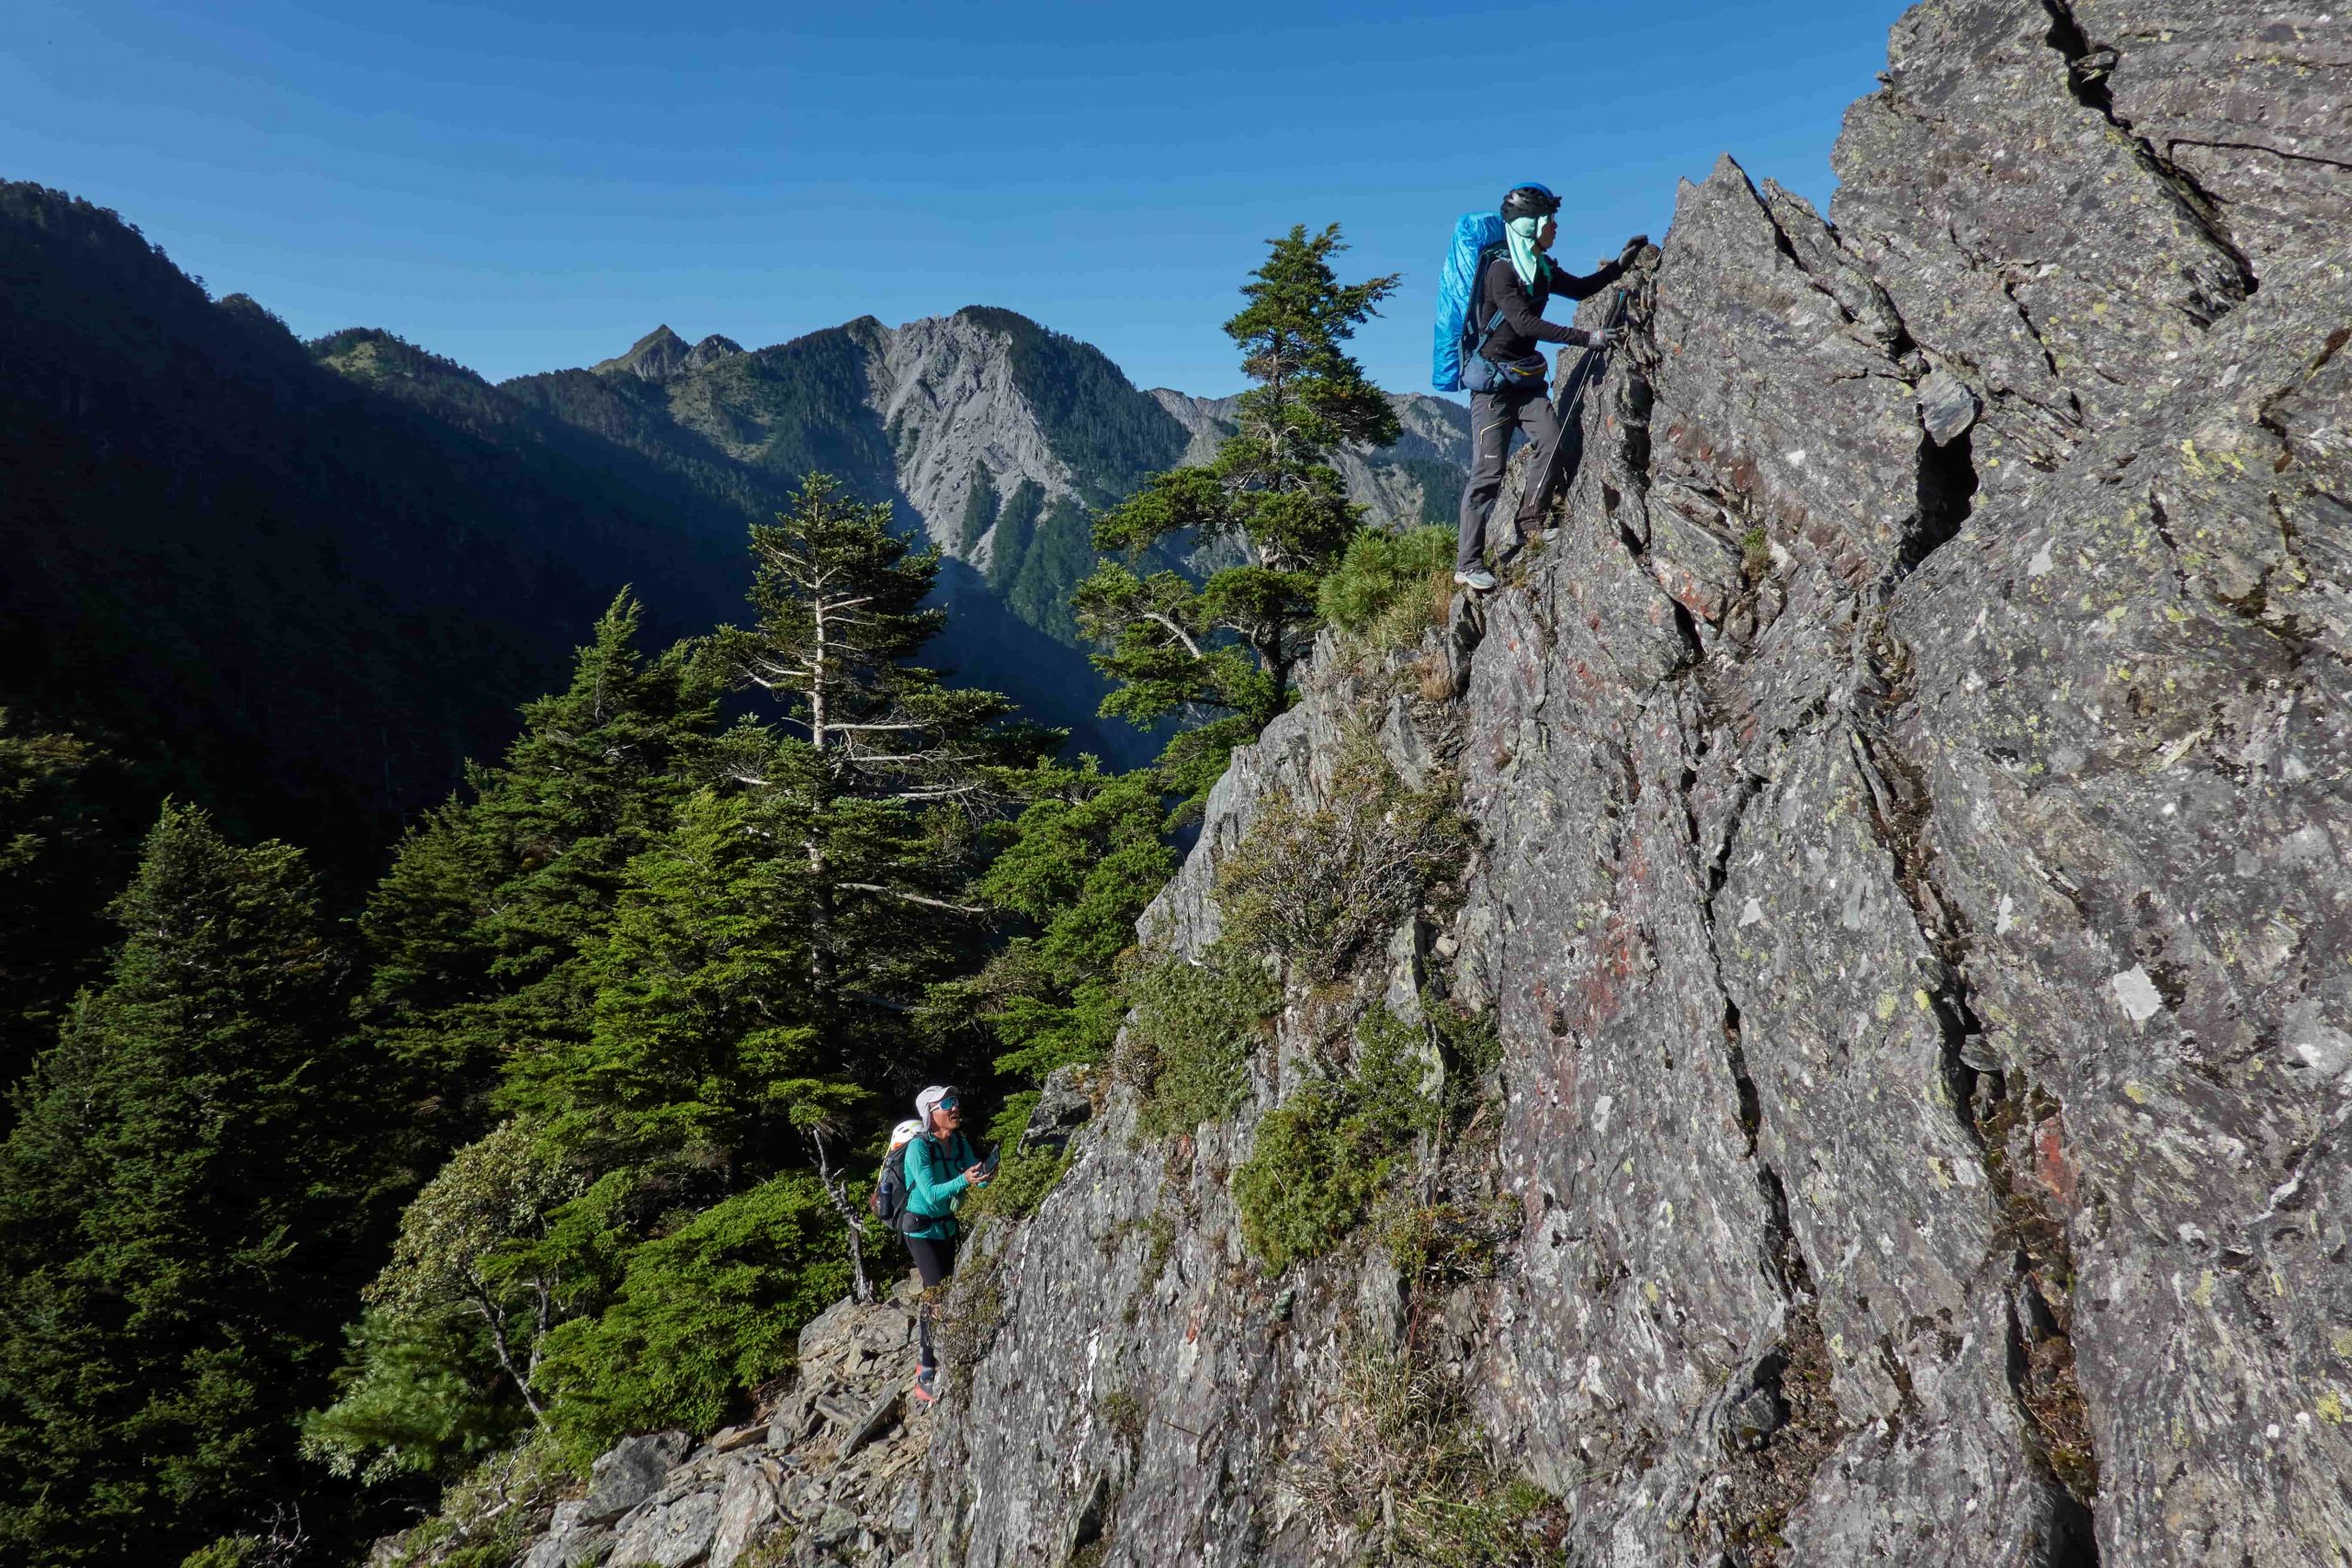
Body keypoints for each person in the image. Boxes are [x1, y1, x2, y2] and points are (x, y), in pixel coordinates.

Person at [1455, 183, 1648, 592]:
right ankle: (1468, 563)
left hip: (1524, 380)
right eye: (1549, 220)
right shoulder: (1502, 269)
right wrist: (1588, 337)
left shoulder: (1538, 267)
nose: (1555, 227)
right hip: (1492, 388)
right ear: (1531, 224)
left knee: (1552, 439)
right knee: (1488, 472)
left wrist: (1619, 265)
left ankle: (1531, 524)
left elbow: (1579, 288)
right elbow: (1525, 323)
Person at [902, 1083, 989, 1403]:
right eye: (946, 1103)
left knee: (943, 1294)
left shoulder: (959, 1141)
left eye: (955, 1100)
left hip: (946, 1227)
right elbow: (932, 1194)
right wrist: (965, 1180)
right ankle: (926, 1373)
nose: (955, 1107)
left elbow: (975, 1179)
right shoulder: (918, 1148)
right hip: (920, 1231)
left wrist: (984, 1176)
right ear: (930, 1114)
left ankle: (936, 1361)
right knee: (936, 1297)